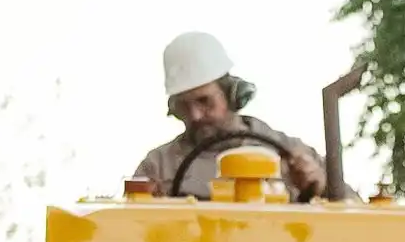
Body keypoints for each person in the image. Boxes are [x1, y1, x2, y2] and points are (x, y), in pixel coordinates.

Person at [133, 32, 327, 201]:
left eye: (204, 101)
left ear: (232, 94)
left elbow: (351, 215)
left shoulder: (293, 155)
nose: (195, 115)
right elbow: (129, 230)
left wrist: (320, 190)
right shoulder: (158, 167)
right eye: (184, 106)